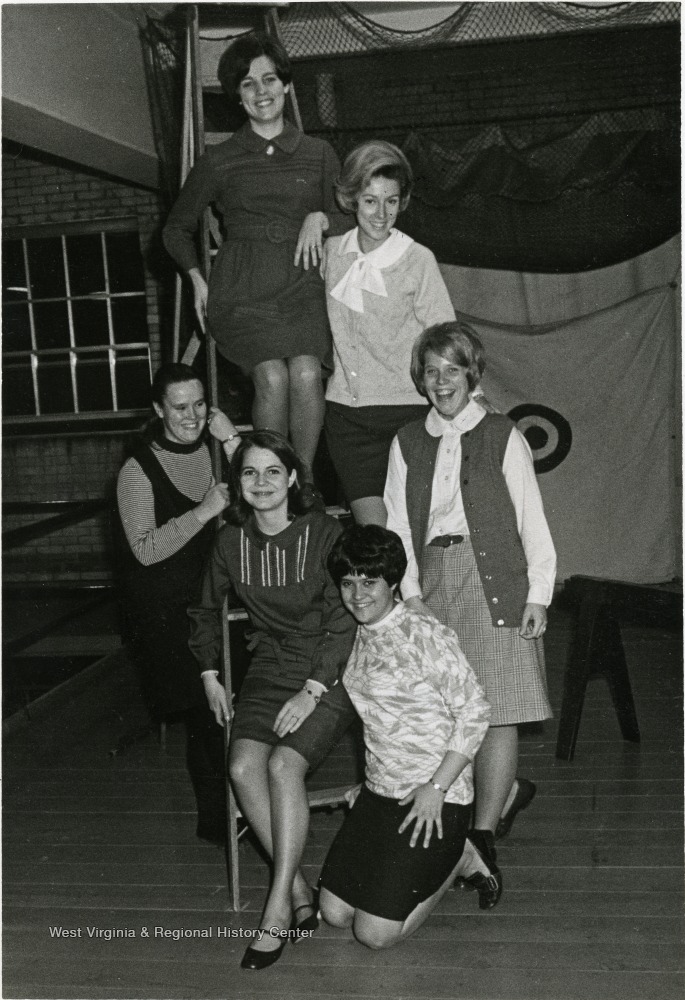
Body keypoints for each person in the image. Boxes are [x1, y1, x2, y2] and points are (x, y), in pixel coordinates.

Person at [384, 321, 556, 908]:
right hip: (433, 582)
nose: (441, 382)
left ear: (471, 374)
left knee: (499, 710)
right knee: (446, 709)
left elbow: (531, 518)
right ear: (420, 380)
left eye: (452, 370)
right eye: (431, 372)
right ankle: (475, 813)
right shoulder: (406, 441)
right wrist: (407, 598)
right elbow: (398, 527)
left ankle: (483, 833)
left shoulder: (504, 434)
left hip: (498, 585)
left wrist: (539, 594)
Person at [187, 430, 357, 970]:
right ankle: (299, 890)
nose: (261, 483)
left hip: (329, 672)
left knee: (284, 766)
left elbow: (344, 620)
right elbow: (202, 609)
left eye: (271, 472)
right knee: (241, 768)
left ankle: (275, 910)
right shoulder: (230, 541)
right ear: (238, 484)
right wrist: (211, 673)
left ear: (292, 479)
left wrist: (313, 690)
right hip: (268, 669)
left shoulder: (326, 533)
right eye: (249, 473)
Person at [163, 31, 349, 500]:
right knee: (270, 375)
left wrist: (322, 215)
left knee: (306, 372)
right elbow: (174, 229)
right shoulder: (220, 159)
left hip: (303, 284)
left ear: (286, 86)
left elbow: (353, 215)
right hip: (242, 289)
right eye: (247, 83)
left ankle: (300, 481)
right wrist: (197, 279)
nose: (261, 90)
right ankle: (269, 477)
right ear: (237, 96)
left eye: (269, 79)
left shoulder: (318, 153)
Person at [319, 524, 490, 949]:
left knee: (374, 934)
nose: (358, 594)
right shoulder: (362, 630)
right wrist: (371, 780)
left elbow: (475, 712)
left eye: (369, 581)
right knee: (335, 913)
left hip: (434, 796)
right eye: (348, 582)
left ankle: (464, 855)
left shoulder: (424, 633)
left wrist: (436, 787)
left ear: (393, 581)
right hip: (380, 792)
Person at [116, 362, 240, 845]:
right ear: (158, 410)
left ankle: (249, 809)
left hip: (221, 599)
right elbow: (145, 549)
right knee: (206, 719)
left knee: (240, 712)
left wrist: (231, 441)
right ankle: (217, 823)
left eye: (200, 404)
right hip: (171, 611)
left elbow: (269, 484)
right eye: (180, 407)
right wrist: (205, 511)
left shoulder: (217, 449)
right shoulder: (137, 469)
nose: (192, 416)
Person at [323, 140, 457, 525]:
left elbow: (447, 341)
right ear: (350, 199)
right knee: (377, 540)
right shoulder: (331, 253)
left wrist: (472, 397)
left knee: (415, 534)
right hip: (347, 419)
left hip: (409, 416)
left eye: (392, 201)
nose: (381, 214)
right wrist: (315, 219)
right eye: (370, 201)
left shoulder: (418, 260)